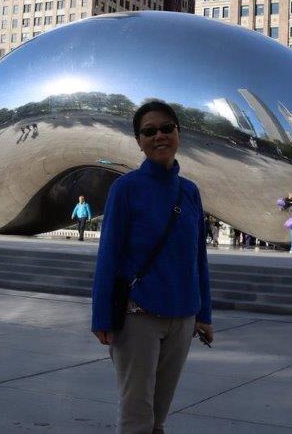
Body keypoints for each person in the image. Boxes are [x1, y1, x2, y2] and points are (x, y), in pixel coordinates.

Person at [91, 101, 212, 434]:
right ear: (139, 141)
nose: (159, 136)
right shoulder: (126, 189)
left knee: (158, 417)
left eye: (166, 128)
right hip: (137, 317)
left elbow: (197, 256)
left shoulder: (190, 192)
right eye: (149, 131)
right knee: (137, 417)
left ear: (178, 133)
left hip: (183, 317)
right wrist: (102, 316)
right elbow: (108, 255)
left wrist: (205, 314)